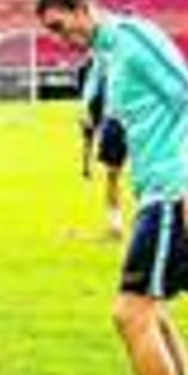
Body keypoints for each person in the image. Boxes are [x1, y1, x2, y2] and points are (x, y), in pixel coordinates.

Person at [35, 0, 188, 375]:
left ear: (82, 7)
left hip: (175, 192)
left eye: (58, 25)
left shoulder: (134, 38)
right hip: (158, 195)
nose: (57, 36)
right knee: (153, 312)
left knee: (130, 313)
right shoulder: (110, 52)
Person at [78, 55, 129, 240]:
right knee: (112, 174)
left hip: (140, 118)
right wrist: (85, 106)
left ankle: (151, 222)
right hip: (114, 119)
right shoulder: (102, 52)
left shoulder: (137, 45)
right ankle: (115, 225)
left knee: (148, 174)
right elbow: (93, 80)